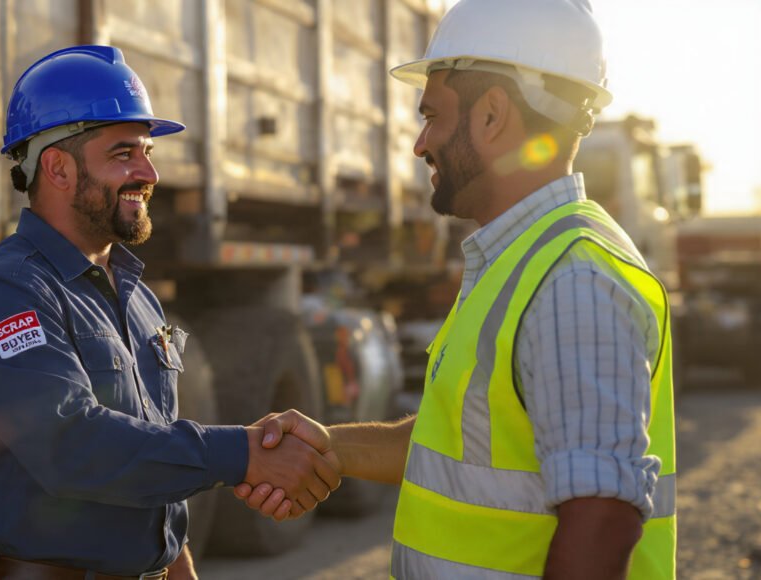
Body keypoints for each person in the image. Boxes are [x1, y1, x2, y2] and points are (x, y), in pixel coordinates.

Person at [236, 0, 677, 578]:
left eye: (433, 115)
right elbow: (468, 442)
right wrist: (330, 447)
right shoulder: (525, 258)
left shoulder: (573, 278)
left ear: (492, 115)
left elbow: (603, 517)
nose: (421, 144)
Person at [0, 45, 340, 580]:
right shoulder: (6, 291)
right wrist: (242, 452)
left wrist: (177, 561)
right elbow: (71, 445)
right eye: (123, 153)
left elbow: (149, 452)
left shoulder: (138, 298)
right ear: (55, 167)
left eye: (148, 151)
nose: (148, 171)